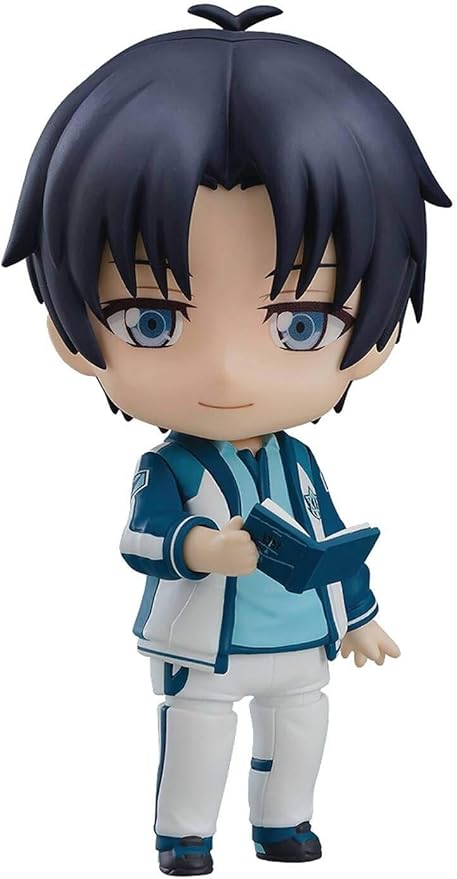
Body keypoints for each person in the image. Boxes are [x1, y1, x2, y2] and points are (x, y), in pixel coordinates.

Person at [2, 4, 450, 875]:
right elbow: (140, 539)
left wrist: (359, 615)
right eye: (153, 320)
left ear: (379, 334)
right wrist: (199, 547)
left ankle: (284, 824)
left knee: (300, 727)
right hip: (201, 643)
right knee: (198, 735)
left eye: (299, 324)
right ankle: (185, 835)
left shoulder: (297, 461)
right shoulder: (168, 466)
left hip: (300, 638)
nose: (227, 371)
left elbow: (328, 537)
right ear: (70, 332)